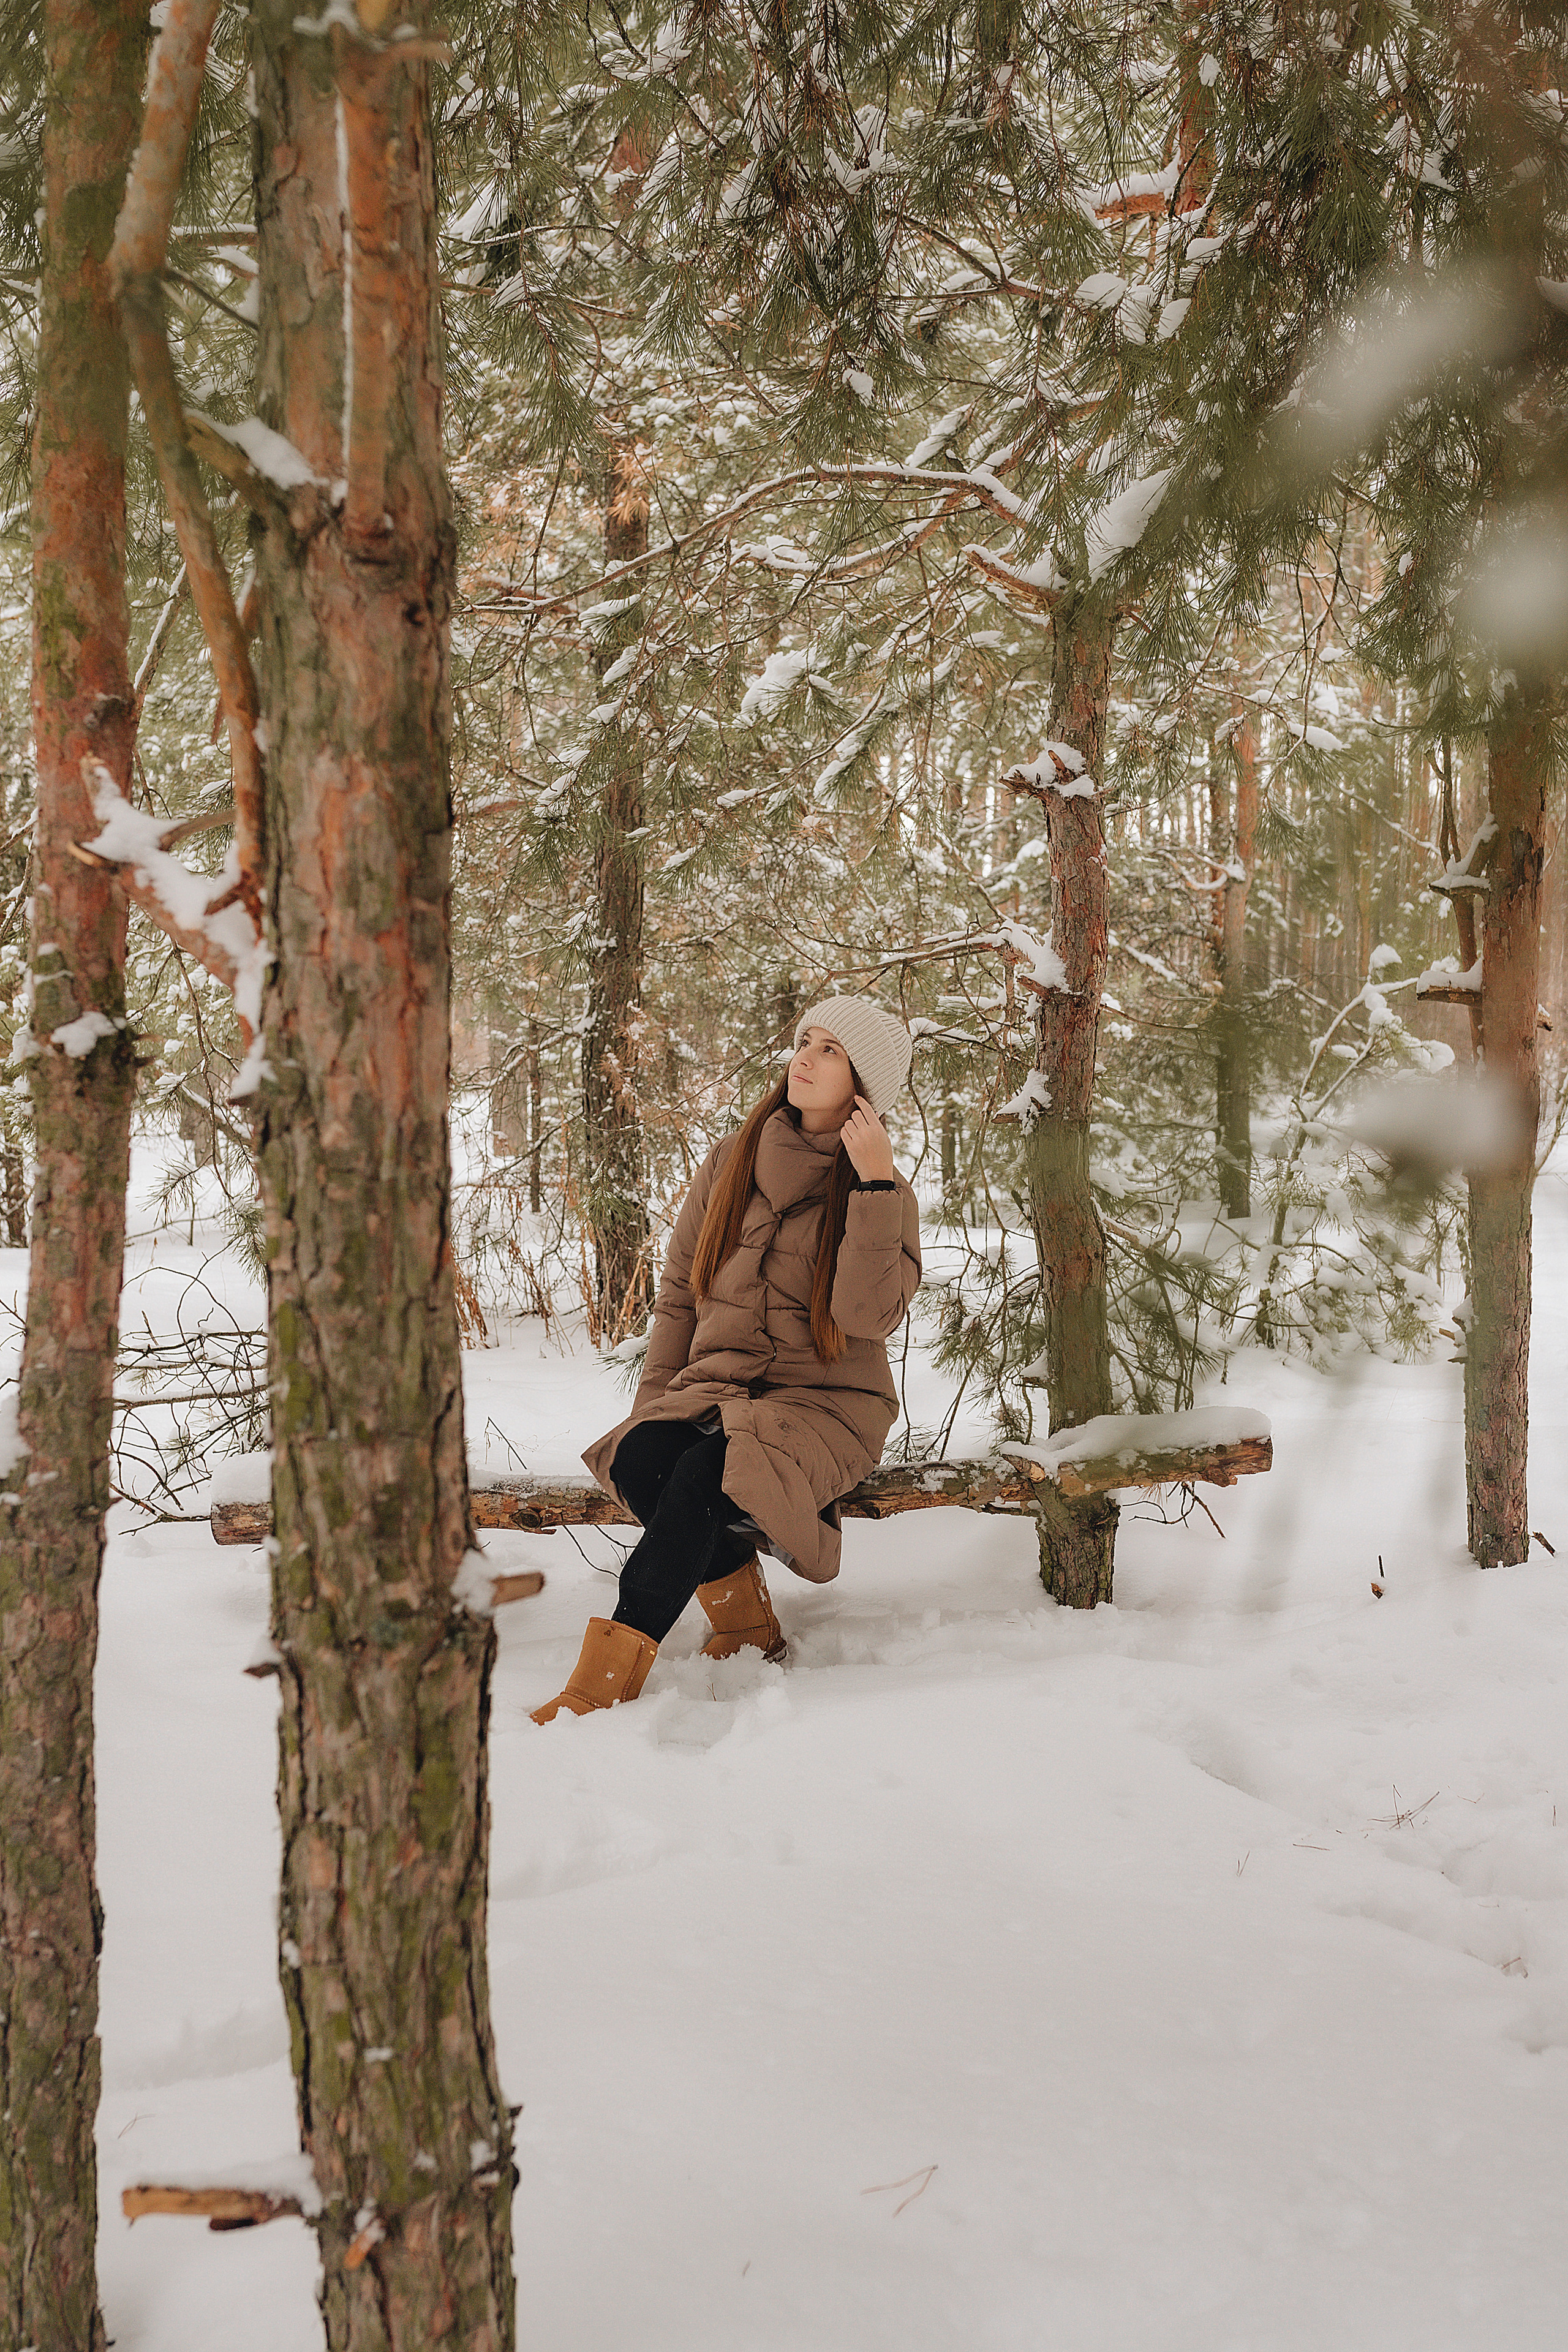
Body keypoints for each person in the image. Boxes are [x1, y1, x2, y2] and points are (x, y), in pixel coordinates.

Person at [532, 995, 921, 1722]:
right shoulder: (731, 1160)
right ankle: (747, 1626)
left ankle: (601, 1684)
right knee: (645, 1456)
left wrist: (871, 1184)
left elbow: (866, 1318)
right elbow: (680, 1294)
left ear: (864, 1086)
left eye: (831, 1050)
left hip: (827, 1404)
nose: (804, 1057)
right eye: (806, 1040)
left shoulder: (884, 1189)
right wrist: (654, 1407)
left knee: (708, 1472)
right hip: (717, 1383)